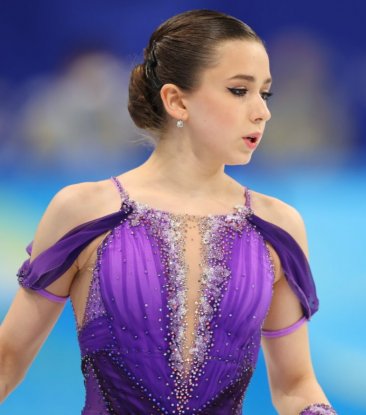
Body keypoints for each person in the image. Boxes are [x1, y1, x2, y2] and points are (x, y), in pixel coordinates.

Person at [0, 9, 337, 415]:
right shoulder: (85, 211)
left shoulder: (276, 226)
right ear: (176, 100)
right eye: (239, 90)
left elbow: (296, 385)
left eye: (264, 94)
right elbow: (7, 361)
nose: (261, 112)